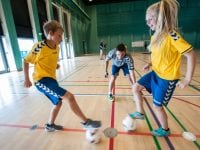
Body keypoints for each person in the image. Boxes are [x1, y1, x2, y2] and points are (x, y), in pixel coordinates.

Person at [129, 0, 196, 137]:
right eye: (146, 20)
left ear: (159, 18)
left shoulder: (172, 35)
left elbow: (190, 54)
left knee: (157, 107)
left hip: (167, 79)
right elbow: (157, 54)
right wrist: (151, 64)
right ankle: (140, 113)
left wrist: (187, 79)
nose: (147, 23)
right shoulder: (154, 36)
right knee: (135, 87)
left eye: (150, 20)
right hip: (156, 73)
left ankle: (165, 130)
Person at [23, 20, 101, 132]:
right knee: (69, 97)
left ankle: (50, 125)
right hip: (41, 80)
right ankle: (86, 122)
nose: (61, 38)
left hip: (51, 80)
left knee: (58, 103)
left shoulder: (56, 47)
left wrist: (56, 65)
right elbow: (26, 61)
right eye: (59, 35)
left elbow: (48, 60)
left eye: (62, 35)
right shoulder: (39, 46)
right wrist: (26, 79)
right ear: (50, 33)